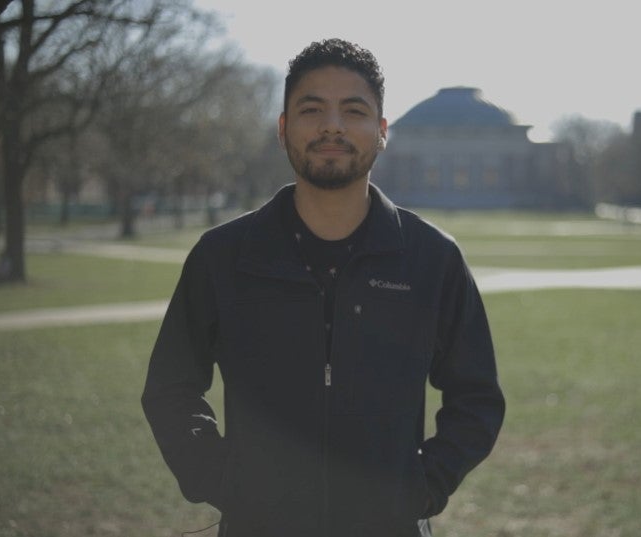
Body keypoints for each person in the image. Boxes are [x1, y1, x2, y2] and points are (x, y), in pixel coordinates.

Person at [141, 38, 505, 537]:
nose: (332, 125)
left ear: (381, 131)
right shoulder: (223, 257)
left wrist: (422, 486)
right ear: (283, 128)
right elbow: (170, 388)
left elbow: (477, 397)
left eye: (353, 110)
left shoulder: (432, 259)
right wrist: (221, 479)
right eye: (312, 109)